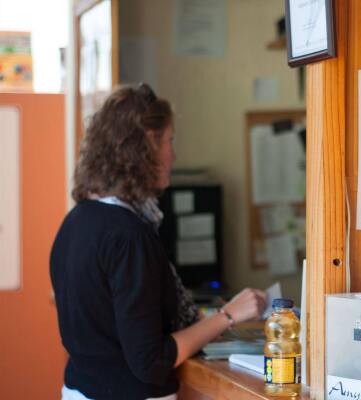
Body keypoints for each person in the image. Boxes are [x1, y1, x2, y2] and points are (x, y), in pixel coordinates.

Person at [50, 84, 267, 400]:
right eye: (170, 141)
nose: (174, 155)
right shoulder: (128, 235)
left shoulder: (77, 220)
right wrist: (228, 316)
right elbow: (151, 361)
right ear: (148, 146)